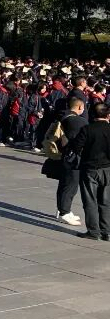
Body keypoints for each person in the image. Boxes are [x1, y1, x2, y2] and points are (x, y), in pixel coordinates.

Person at [68, 101, 110, 241]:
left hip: (90, 169)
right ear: (108, 115)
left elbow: (76, 147)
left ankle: (93, 231)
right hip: (107, 169)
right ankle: (107, 231)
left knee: (90, 200)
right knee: (106, 200)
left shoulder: (87, 129)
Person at [56, 98, 88, 226]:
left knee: (64, 184)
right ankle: (64, 212)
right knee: (71, 185)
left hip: (65, 154)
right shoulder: (79, 121)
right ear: (80, 107)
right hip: (73, 157)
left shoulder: (63, 116)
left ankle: (63, 210)